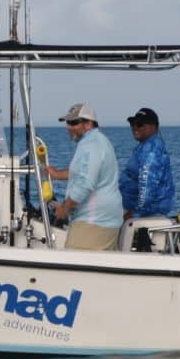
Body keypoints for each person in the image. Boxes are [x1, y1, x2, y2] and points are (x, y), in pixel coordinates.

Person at [44, 103, 123, 251]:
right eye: (68, 122)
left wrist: (64, 209)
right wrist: (55, 175)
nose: (69, 127)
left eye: (74, 123)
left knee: (72, 268)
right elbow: (83, 172)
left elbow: (84, 185)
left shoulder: (91, 145)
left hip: (94, 222)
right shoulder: (98, 141)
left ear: (88, 124)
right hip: (106, 219)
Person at [120, 106, 175, 219]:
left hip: (146, 214)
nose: (135, 127)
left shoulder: (151, 148)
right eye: (132, 124)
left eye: (140, 124)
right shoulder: (146, 146)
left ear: (154, 127)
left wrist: (136, 212)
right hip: (139, 211)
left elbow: (148, 184)